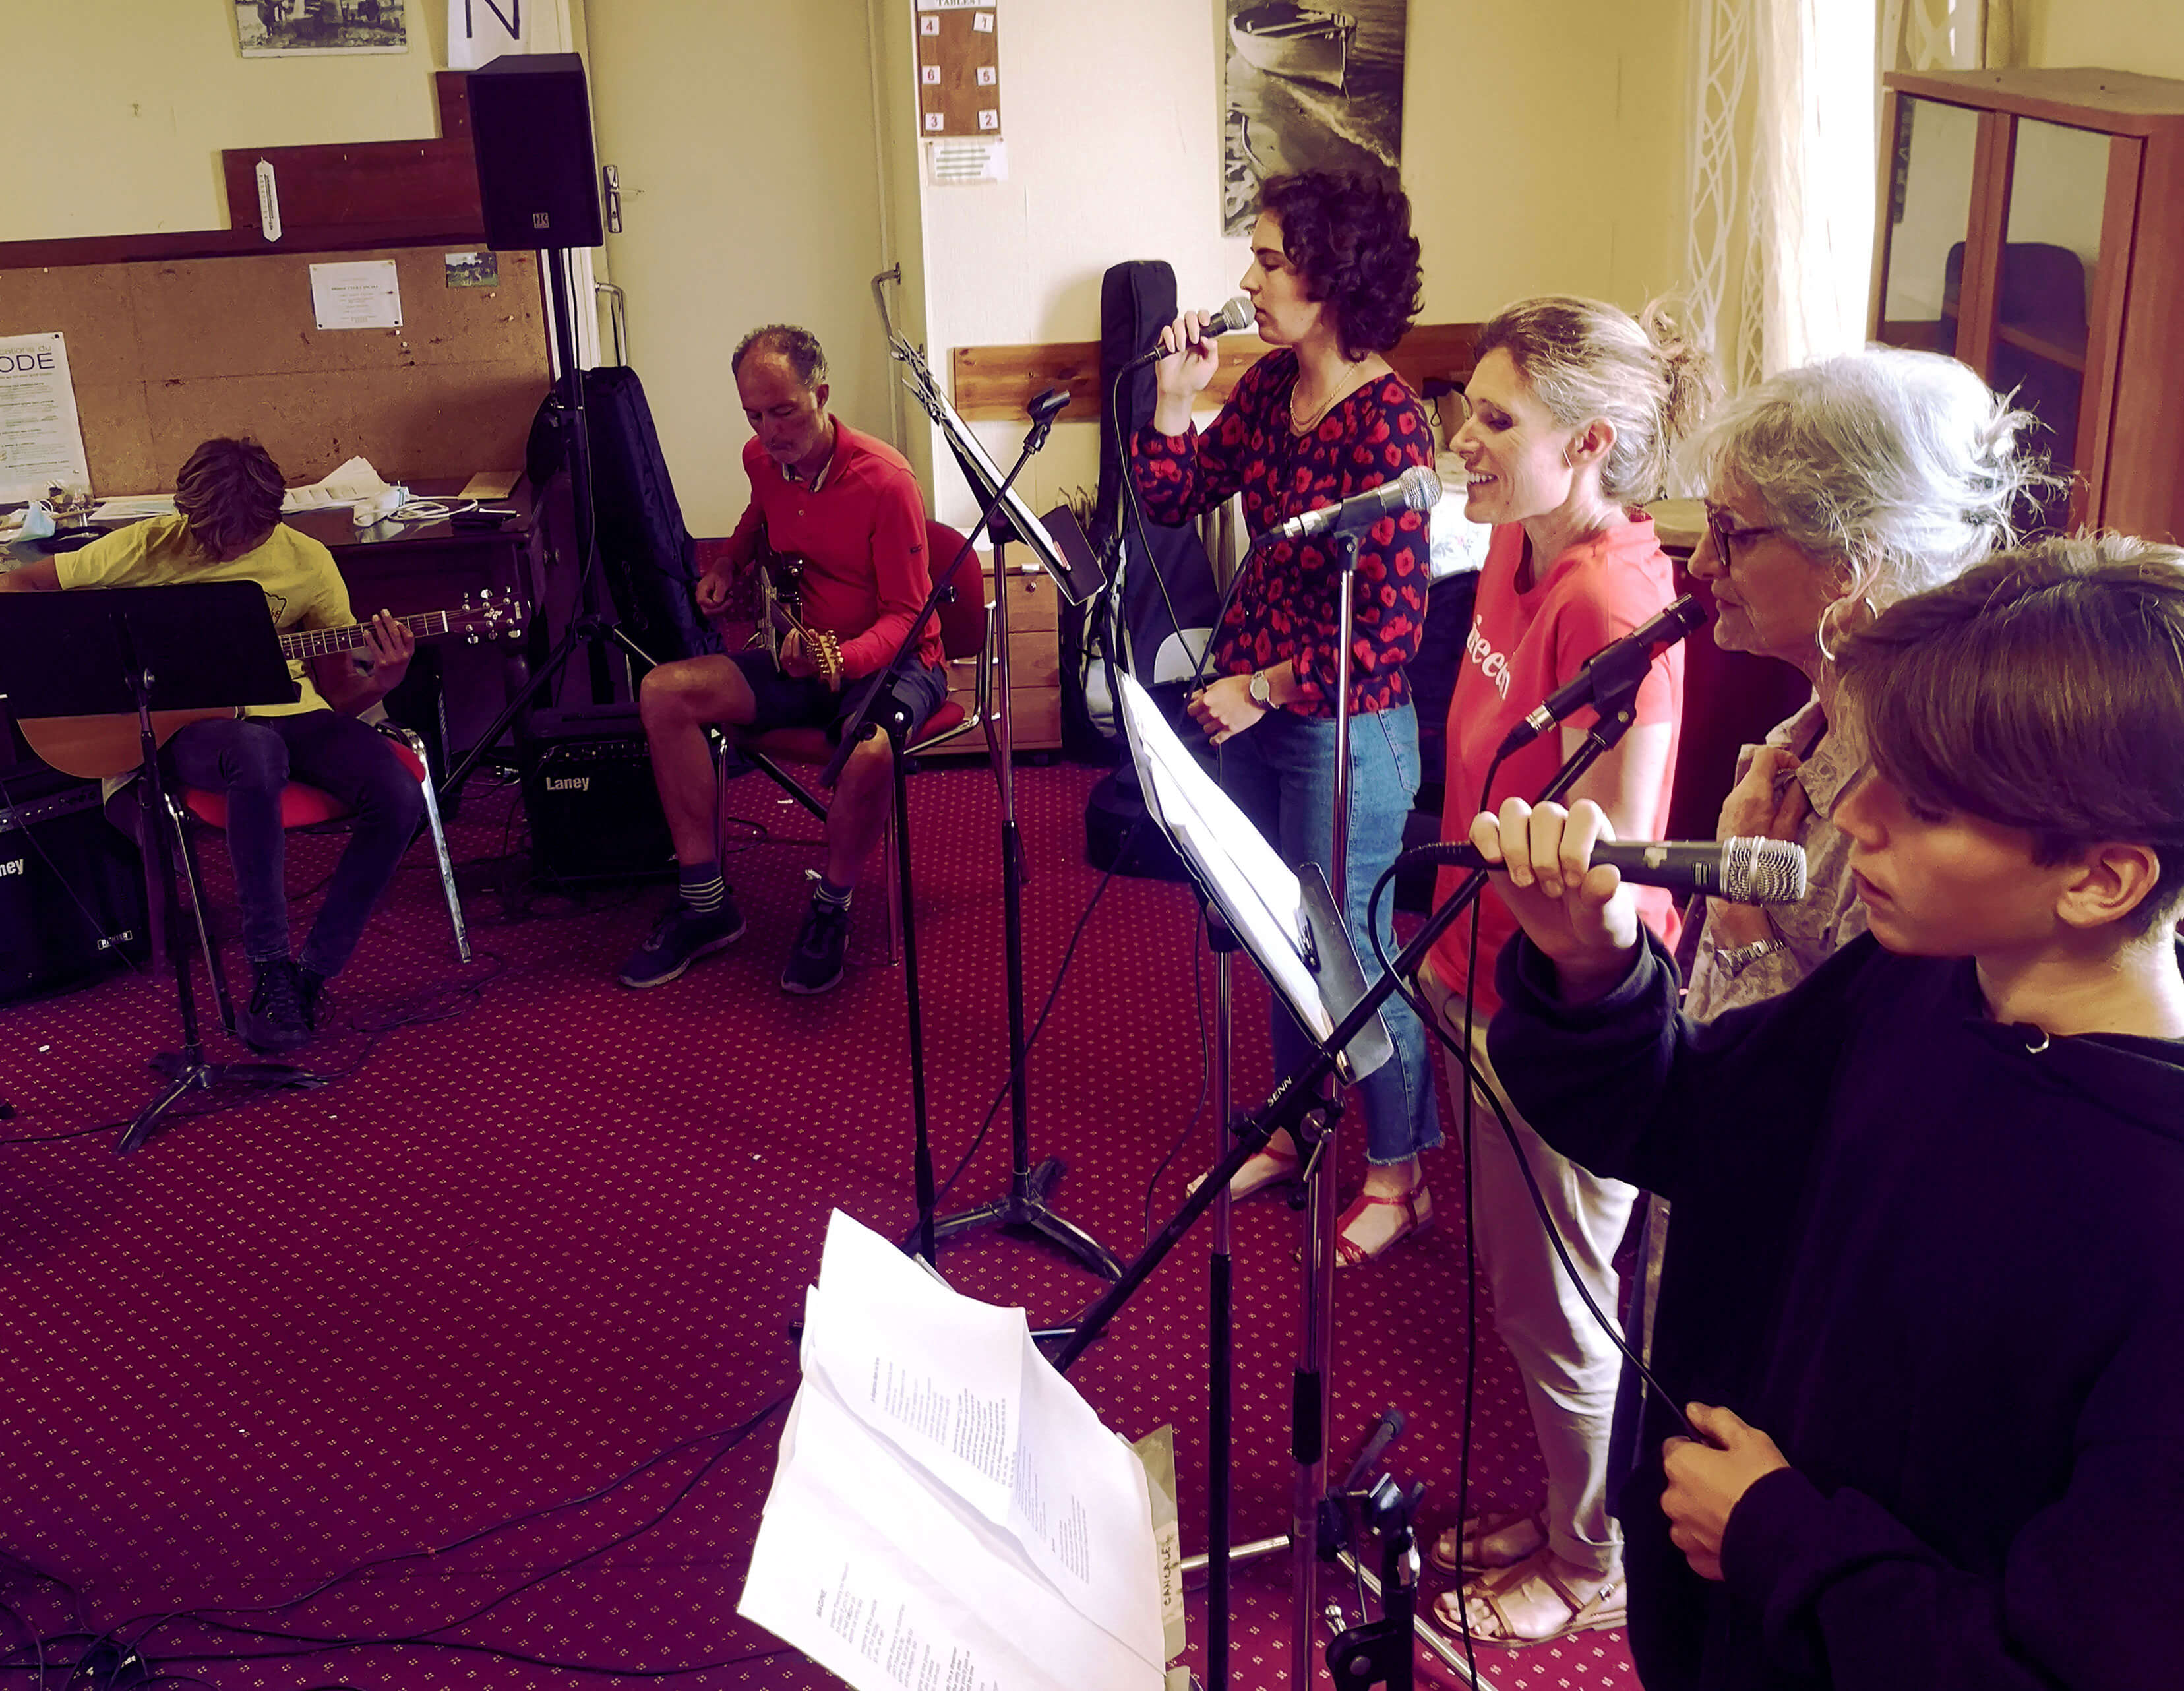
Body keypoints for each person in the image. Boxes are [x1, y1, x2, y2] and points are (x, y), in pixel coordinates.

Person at [1464, 533, 2184, 1690]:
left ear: (2102, 875)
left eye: (1930, 800)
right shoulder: (1927, 977)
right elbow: (1692, 1121)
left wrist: (1777, 1534)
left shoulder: (2152, 1207)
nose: (1854, 816)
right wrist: (1593, 969)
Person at [1416, 295, 1714, 1644]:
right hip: (1466, 962)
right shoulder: (1518, 544)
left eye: (1494, 420)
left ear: (1587, 442)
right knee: (1522, 1282)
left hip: (1551, 1008)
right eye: (1468, 407)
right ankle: (1559, 1504)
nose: (1460, 439)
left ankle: (1593, 1561)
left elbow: (1614, 863)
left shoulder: (1610, 596)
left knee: (1562, 1303)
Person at [1130, 170, 1437, 1252]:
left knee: (1348, 951)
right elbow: (1176, 493)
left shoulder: (1390, 431)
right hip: (1258, 717)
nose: (1245, 279)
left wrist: (1254, 686)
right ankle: (1298, 1121)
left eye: (1266, 259)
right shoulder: (1269, 387)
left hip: (1346, 732)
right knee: (1279, 933)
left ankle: (1400, 1172)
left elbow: (1387, 641)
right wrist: (1175, 397)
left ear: (1333, 275)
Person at [0, 437, 419, 1053]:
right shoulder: (147, 546)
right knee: (255, 753)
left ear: (272, 519)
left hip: (294, 714)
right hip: (194, 731)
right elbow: (18, 584)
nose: (222, 548)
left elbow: (336, 697)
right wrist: (71, 660)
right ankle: (270, 964)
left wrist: (383, 680)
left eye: (241, 540)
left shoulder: (307, 562)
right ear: (185, 513)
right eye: (208, 536)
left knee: (398, 794)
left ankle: (311, 975)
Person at [1681, 350, 2034, 1022]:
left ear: (1851, 564)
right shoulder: (1806, 734)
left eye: (1730, 533)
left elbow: (1866, 1080)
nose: (1701, 560)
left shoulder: (1917, 800)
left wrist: (1741, 918)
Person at [618, 324, 944, 997]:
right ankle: (707, 904)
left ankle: (832, 907)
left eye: (783, 411)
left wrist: (840, 660)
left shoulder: (886, 481)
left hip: (898, 660)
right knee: (663, 692)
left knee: (870, 750)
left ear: (821, 395)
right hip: (806, 651)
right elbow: (759, 512)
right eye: (753, 415)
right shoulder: (762, 459)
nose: (768, 431)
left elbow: (908, 619)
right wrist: (730, 561)